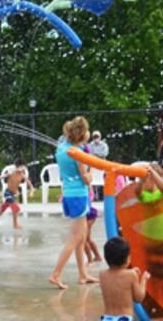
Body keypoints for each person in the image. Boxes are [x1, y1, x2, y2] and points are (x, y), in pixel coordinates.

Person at [49, 116, 98, 289]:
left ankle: (83, 274)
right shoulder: (78, 153)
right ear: (82, 134)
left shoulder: (62, 148)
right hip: (79, 195)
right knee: (76, 237)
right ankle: (56, 274)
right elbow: (86, 179)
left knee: (82, 236)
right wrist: (91, 171)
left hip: (69, 195)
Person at [133, 163, 163, 308]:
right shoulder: (145, 196)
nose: (147, 182)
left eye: (150, 179)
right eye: (146, 179)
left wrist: (152, 174)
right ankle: (157, 304)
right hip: (149, 241)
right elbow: (137, 191)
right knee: (153, 276)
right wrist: (142, 177)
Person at [99, 237, 150, 321]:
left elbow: (116, 279)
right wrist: (144, 279)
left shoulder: (102, 275)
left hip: (106, 318)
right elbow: (138, 298)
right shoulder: (131, 275)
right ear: (127, 258)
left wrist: (130, 272)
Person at [0, 158, 35, 229]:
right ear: (17, 167)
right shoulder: (12, 173)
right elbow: (3, 176)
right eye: (21, 167)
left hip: (12, 195)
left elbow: (31, 186)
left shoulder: (23, 175)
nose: (22, 169)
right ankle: (15, 225)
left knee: (2, 210)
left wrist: (31, 192)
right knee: (16, 208)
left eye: (24, 168)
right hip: (7, 193)